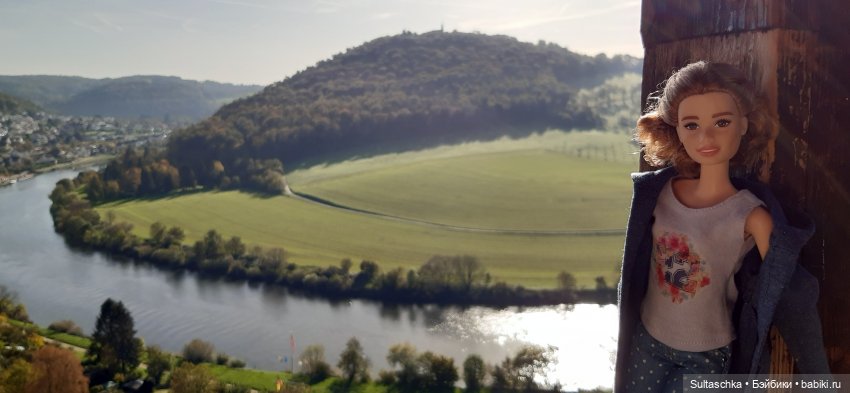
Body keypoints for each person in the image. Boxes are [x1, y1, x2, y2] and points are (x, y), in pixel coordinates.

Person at [614, 61, 831, 393]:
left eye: (722, 122)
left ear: (743, 124)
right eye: (691, 125)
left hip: (706, 353)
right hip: (648, 339)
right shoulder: (658, 195)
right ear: (676, 129)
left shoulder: (750, 216)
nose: (706, 137)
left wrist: (821, 378)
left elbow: (791, 294)